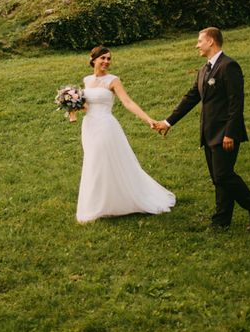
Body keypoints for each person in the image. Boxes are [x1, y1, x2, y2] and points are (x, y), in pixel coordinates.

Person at [154, 27, 250, 231]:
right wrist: (168, 122)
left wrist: (230, 133)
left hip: (225, 134)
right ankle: (221, 220)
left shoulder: (229, 66)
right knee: (219, 178)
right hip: (208, 133)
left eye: (200, 41)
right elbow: (190, 98)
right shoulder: (204, 70)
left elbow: (236, 103)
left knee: (223, 175)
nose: (197, 45)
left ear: (211, 42)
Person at [72, 45, 176, 224]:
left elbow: (128, 102)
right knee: (93, 161)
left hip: (105, 126)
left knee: (103, 160)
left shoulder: (113, 80)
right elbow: (87, 105)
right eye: (103, 58)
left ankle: (118, 200)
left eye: (109, 59)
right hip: (89, 126)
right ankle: (100, 203)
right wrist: (71, 106)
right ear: (93, 60)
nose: (106, 62)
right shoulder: (87, 80)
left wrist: (148, 120)